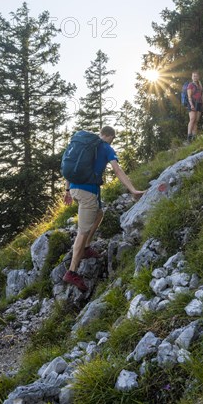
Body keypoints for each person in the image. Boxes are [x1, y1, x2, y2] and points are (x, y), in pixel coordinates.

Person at [62, 125, 145, 291]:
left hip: (75, 189)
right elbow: (117, 170)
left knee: (99, 214)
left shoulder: (85, 146)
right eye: (112, 138)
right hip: (88, 192)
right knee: (82, 231)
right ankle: (72, 272)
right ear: (110, 136)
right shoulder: (106, 147)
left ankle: (86, 248)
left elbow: (72, 167)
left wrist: (67, 190)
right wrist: (133, 190)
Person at [186, 71, 203, 142]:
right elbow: (189, 96)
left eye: (196, 76)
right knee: (192, 119)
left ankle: (194, 138)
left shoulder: (200, 86)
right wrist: (191, 105)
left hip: (199, 104)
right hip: (192, 103)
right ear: (192, 77)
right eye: (193, 76)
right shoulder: (190, 85)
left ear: (198, 77)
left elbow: (202, 97)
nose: (195, 77)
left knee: (196, 121)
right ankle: (189, 137)